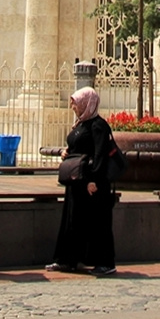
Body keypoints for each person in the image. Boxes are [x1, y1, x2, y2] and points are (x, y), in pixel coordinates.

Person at [46, 86, 117, 276]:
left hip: (93, 183)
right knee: (73, 221)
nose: (73, 107)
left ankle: (105, 262)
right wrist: (65, 153)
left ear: (87, 103)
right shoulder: (81, 124)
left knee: (98, 223)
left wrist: (94, 180)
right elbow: (76, 147)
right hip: (77, 181)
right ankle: (67, 260)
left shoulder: (98, 126)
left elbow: (101, 155)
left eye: (76, 103)